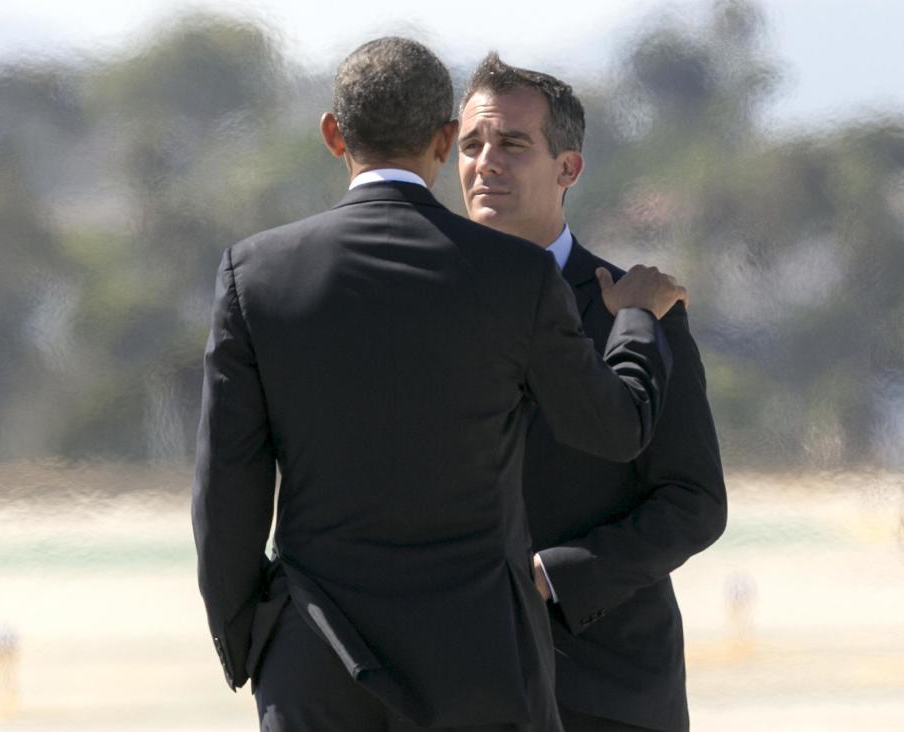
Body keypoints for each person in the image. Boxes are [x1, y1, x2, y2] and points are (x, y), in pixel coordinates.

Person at [193, 38, 687, 732]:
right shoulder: (514, 277)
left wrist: (251, 643)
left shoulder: (256, 275)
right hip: (480, 668)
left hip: (316, 662)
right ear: (446, 139)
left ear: (334, 133)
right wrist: (634, 319)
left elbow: (227, 489)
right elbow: (613, 429)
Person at [457, 54, 727, 732]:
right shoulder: (413, 306)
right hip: (451, 686)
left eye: (511, 143)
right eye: (470, 144)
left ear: (567, 168)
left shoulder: (636, 305)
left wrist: (556, 575)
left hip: (606, 687)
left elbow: (694, 501)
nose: (485, 162)